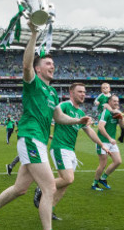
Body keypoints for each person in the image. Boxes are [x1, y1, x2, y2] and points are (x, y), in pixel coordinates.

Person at [0, 21, 90, 230]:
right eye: (48, 64)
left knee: (20, 189)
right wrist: (33, 33)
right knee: (49, 188)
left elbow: (58, 117)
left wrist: (77, 121)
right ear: (39, 69)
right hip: (30, 139)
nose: (52, 67)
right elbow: (26, 63)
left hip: (36, 142)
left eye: (53, 64)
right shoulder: (33, 82)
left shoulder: (51, 93)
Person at [33, 83, 110, 218]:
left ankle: (49, 210)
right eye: (79, 91)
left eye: (84, 92)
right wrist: (77, 120)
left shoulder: (80, 113)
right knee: (68, 179)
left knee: (64, 185)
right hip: (60, 147)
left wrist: (102, 144)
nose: (83, 94)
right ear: (71, 93)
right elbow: (57, 115)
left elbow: (89, 131)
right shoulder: (64, 105)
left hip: (70, 150)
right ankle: (41, 187)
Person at [92, 95, 124, 191]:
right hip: (102, 142)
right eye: (114, 101)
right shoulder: (105, 112)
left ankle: (103, 178)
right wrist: (109, 138)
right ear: (109, 102)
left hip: (111, 143)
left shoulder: (115, 113)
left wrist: (121, 115)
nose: (116, 103)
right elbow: (100, 127)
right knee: (103, 164)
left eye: (118, 101)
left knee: (118, 161)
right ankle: (94, 184)